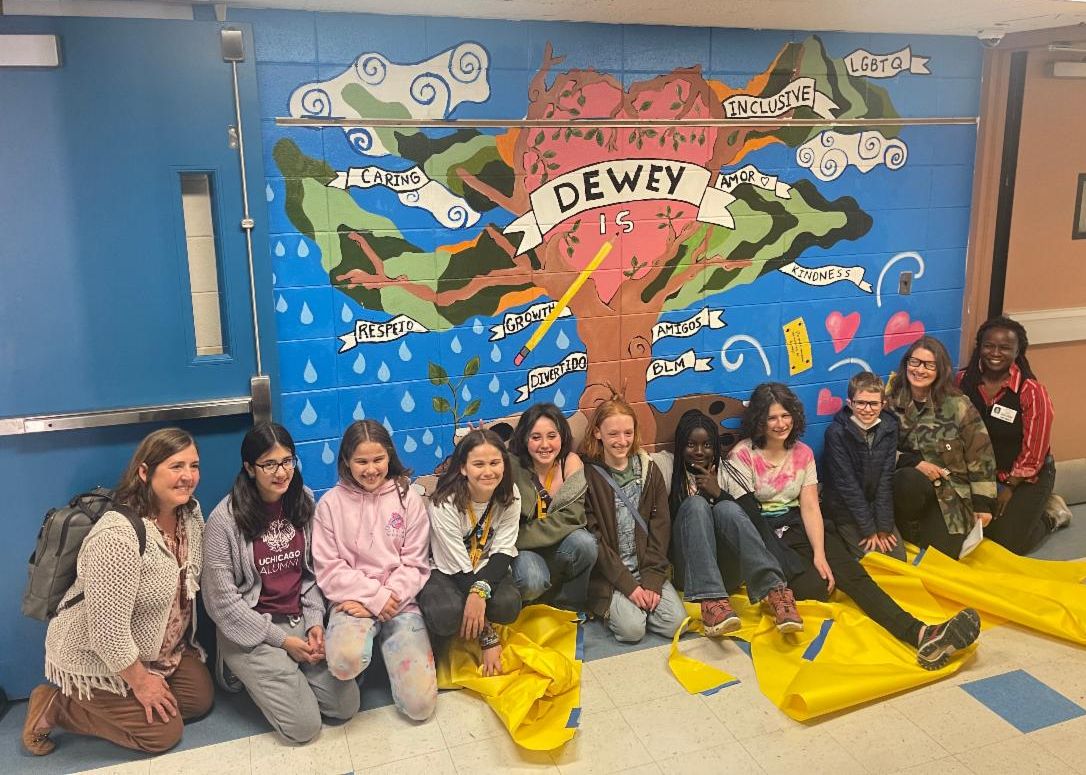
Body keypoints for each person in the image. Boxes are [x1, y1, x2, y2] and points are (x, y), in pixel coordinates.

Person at [727, 383, 981, 669]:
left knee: (853, 574)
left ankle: (921, 633)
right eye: (771, 418)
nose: (780, 424)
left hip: (796, 523)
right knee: (817, 588)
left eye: (785, 416)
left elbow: (810, 507)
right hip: (761, 532)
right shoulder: (742, 455)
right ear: (759, 420)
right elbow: (745, 518)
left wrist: (820, 554)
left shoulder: (803, 454)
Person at [23, 428, 213, 755]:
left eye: (194, 466)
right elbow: (107, 634)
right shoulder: (118, 536)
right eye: (176, 466)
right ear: (144, 471)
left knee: (198, 699)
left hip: (158, 651)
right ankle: (56, 705)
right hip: (96, 652)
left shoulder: (190, 515)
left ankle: (136, 691)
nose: (188, 477)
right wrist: (141, 683)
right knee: (163, 735)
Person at [203, 422, 360, 742]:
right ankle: (246, 668)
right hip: (251, 630)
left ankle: (290, 672)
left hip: (299, 619)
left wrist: (316, 623)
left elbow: (313, 573)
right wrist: (283, 641)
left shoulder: (302, 499)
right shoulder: (224, 520)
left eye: (287, 461)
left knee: (346, 707)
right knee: (305, 728)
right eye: (269, 464)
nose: (281, 472)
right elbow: (221, 604)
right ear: (249, 468)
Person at [313, 420, 437, 720]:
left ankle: (390, 652)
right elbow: (329, 569)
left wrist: (387, 598)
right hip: (352, 602)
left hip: (400, 601)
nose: (371, 469)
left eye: (378, 459)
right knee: (344, 663)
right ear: (346, 461)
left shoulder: (408, 497)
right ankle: (365, 659)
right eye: (361, 461)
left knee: (420, 709)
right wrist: (372, 598)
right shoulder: (330, 504)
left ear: (390, 456)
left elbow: (416, 562)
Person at [655, 409, 804, 634]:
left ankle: (775, 592)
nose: (699, 452)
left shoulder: (728, 471)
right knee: (696, 505)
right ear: (679, 446)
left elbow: (753, 521)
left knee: (727, 507)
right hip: (689, 573)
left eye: (707, 445)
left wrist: (719, 493)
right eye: (690, 445)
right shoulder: (667, 466)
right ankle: (712, 603)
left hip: (730, 573)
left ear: (715, 446)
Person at [581, 393, 685, 643]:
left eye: (628, 433)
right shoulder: (589, 477)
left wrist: (651, 582)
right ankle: (619, 607)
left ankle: (643, 604)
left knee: (676, 624)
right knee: (632, 631)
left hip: (646, 567)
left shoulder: (650, 471)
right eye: (613, 434)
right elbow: (595, 539)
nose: (622, 440)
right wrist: (628, 586)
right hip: (612, 576)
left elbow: (661, 529)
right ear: (598, 433)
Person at [958, 316, 1067, 554]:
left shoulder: (1031, 391)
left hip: (1025, 477)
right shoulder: (962, 382)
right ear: (980, 346)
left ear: (1018, 351)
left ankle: (1051, 515)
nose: (995, 352)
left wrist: (1008, 486)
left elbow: (1034, 452)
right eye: (989, 345)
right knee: (967, 533)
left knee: (1007, 545)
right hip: (979, 474)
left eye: (1005, 347)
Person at [418, 429, 522, 677]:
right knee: (446, 614)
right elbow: (457, 565)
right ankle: (446, 634)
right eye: (478, 464)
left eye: (495, 463)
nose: (488, 471)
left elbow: (503, 551)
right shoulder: (444, 502)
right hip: (447, 570)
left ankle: (471, 621)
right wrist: (488, 636)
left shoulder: (511, 494)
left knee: (509, 605)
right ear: (463, 468)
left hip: (485, 568)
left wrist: (480, 592)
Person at [887, 337, 998, 559]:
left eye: (929, 365)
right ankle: (910, 527)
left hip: (951, 493)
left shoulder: (957, 404)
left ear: (940, 369)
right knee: (907, 480)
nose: (920, 370)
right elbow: (875, 449)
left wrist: (983, 503)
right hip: (908, 491)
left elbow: (981, 453)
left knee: (943, 557)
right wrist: (913, 462)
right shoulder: (889, 402)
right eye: (915, 362)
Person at [507, 403, 597, 610]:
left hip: (551, 547)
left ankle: (569, 606)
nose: (545, 444)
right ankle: (529, 608)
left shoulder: (570, 463)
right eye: (536, 437)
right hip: (523, 552)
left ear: (562, 437)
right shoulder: (512, 465)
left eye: (552, 436)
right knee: (533, 579)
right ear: (524, 439)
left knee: (585, 543)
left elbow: (574, 518)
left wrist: (523, 535)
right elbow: (510, 532)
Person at [821, 371, 907, 561]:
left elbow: (885, 479)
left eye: (874, 403)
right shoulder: (836, 433)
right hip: (846, 511)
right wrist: (869, 531)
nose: (867, 409)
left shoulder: (889, 427)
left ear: (882, 405)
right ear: (850, 403)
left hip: (875, 507)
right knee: (873, 560)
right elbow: (847, 487)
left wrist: (883, 527)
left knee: (899, 558)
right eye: (861, 403)